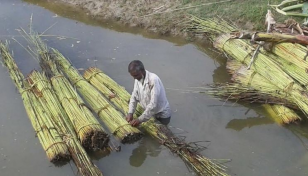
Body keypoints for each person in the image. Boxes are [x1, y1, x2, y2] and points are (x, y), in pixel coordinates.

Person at [126, 60, 171, 127]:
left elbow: (153, 104)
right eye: (133, 76)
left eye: (136, 75)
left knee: (162, 132)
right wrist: (130, 112)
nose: (134, 78)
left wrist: (139, 120)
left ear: (142, 71)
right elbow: (134, 97)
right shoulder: (137, 79)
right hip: (150, 112)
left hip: (161, 114)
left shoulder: (153, 80)